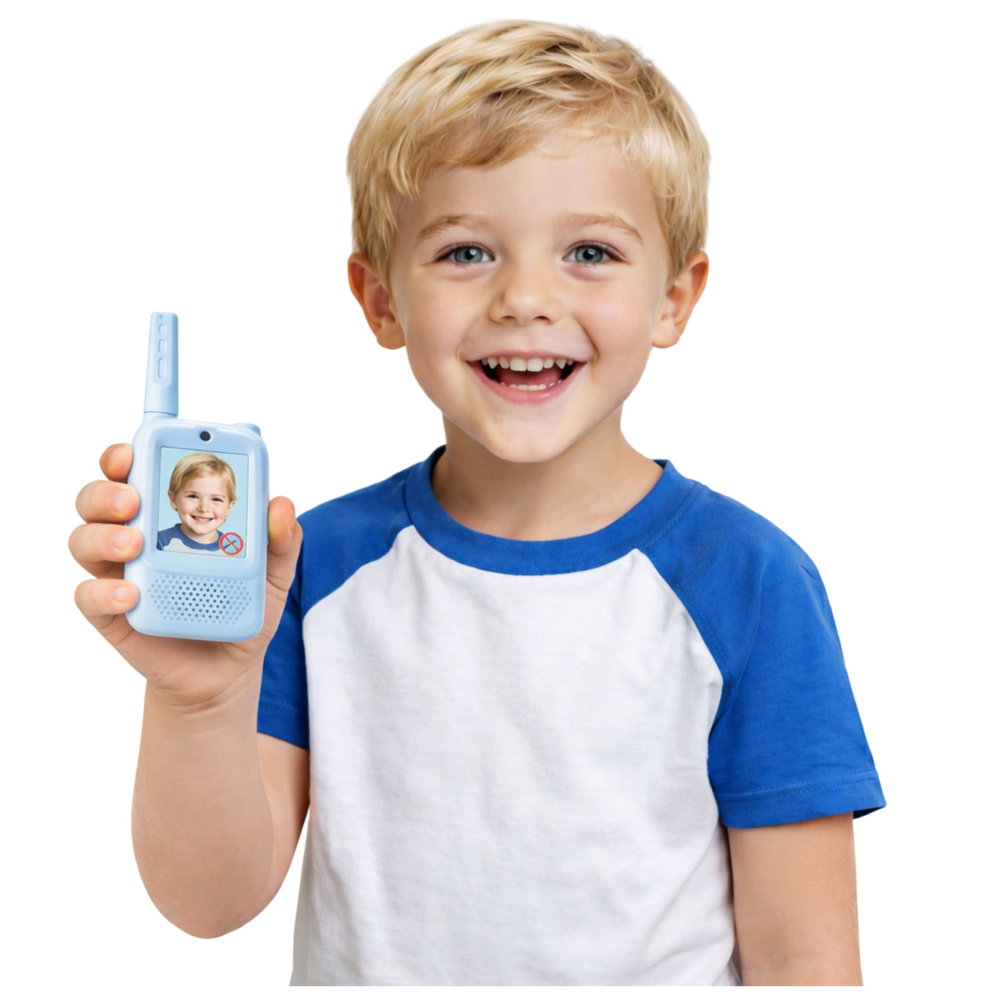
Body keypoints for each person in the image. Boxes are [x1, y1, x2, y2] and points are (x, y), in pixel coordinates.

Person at [70, 20, 884, 986]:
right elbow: (208, 902)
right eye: (465, 253)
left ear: (674, 297)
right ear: (381, 300)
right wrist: (197, 700)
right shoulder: (310, 567)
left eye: (589, 251)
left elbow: (806, 958)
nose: (525, 299)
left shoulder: (749, 580)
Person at [156, 452, 238, 554]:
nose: (204, 508)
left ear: (229, 507)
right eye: (193, 496)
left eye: (216, 499)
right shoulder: (159, 542)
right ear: (173, 499)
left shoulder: (232, 549)